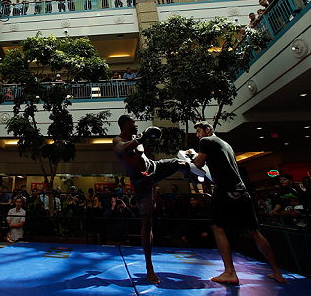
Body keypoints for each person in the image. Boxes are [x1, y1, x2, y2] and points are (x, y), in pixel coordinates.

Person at [191, 121, 284, 284]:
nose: (198, 135)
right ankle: (277, 272)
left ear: (207, 130)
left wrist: (189, 159)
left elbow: (198, 164)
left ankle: (229, 272)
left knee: (217, 227)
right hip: (241, 190)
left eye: (199, 131)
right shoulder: (226, 144)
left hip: (224, 189)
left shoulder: (207, 141)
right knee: (254, 231)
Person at [113, 115, 191, 284]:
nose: (136, 125)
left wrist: (145, 140)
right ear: (127, 124)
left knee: (182, 164)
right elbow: (123, 150)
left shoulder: (137, 139)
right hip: (141, 183)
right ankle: (150, 268)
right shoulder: (118, 140)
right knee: (147, 222)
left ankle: (195, 177)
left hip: (153, 169)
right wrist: (144, 136)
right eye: (133, 123)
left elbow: (141, 158)